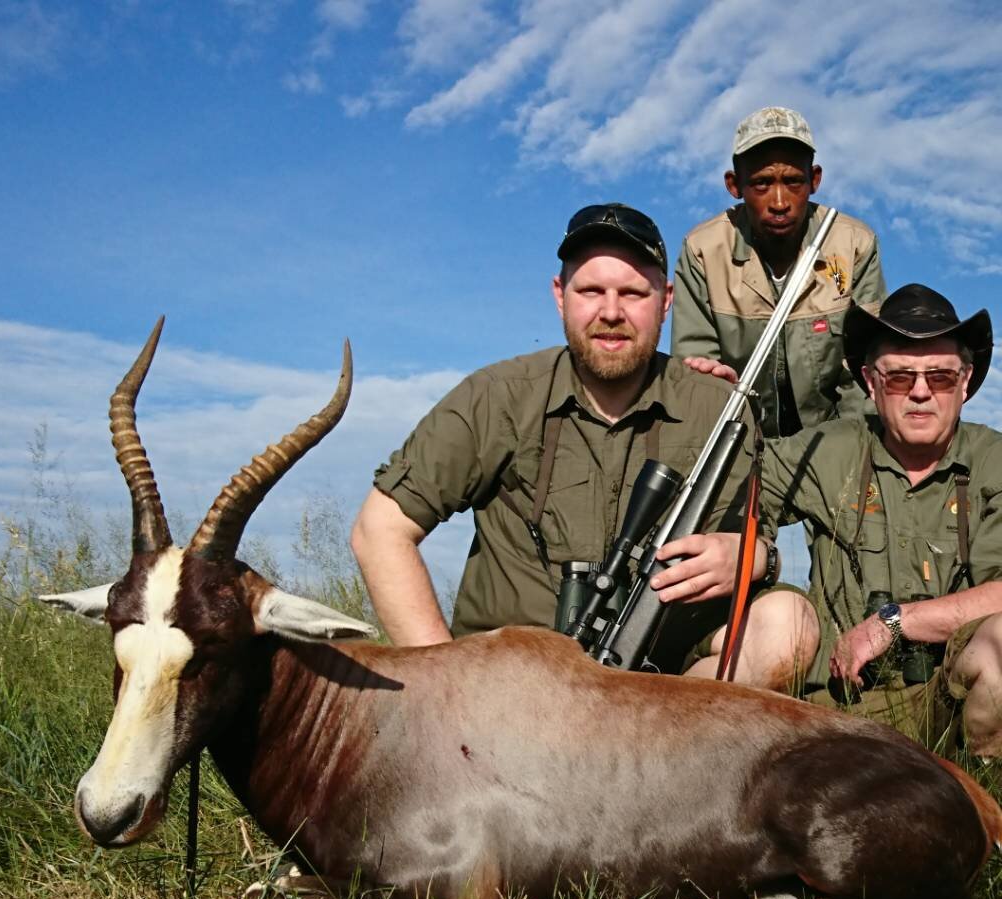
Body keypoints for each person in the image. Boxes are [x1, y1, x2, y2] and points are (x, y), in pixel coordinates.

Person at [351, 203, 818, 684]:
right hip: (507, 685)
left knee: (790, 626)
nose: (611, 312)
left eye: (634, 292)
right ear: (560, 295)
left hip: (661, 684)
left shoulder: (720, 409)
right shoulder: (495, 396)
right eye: (591, 290)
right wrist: (443, 688)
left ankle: (661, 745)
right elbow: (379, 531)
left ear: (666, 300)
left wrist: (757, 558)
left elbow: (755, 541)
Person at [754, 284, 1002, 754]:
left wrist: (892, 621)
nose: (922, 393)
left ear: (966, 382)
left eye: (941, 377)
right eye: (901, 378)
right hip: (827, 712)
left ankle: (984, 798)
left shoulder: (995, 460)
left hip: (944, 710)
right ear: (870, 382)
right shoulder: (828, 449)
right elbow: (737, 490)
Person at [671, 106, 887, 437]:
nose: (780, 201)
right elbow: (697, 375)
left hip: (831, 442)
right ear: (734, 185)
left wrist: (847, 459)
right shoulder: (703, 250)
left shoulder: (854, 244)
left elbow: (863, 378)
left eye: (793, 181)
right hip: (737, 437)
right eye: (761, 183)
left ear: (815, 180)